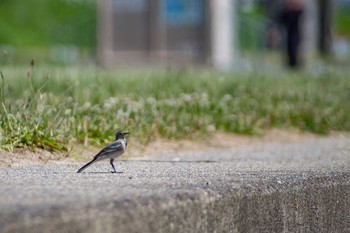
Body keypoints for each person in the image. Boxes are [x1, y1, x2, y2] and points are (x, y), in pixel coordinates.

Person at [279, 0, 304, 69]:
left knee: (294, 49)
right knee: (289, 49)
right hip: (288, 33)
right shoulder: (286, 12)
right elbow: (281, 18)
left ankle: (295, 64)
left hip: (295, 33)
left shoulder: (297, 12)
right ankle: (290, 64)